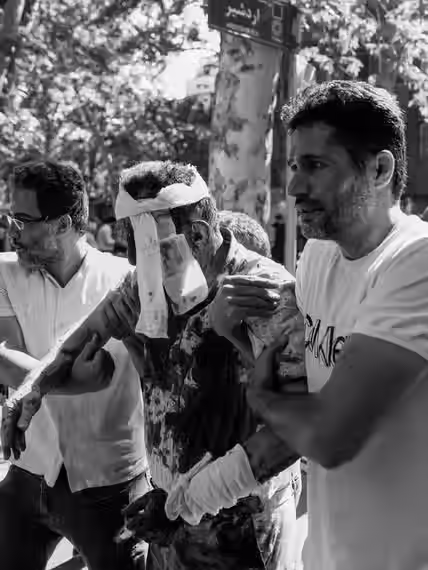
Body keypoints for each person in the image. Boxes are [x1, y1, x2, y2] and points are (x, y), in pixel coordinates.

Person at [2, 161, 305, 570]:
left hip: (244, 528)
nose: (131, 258)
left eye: (146, 247)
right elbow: (80, 339)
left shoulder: (265, 293)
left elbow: (293, 431)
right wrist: (33, 388)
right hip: (166, 519)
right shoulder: (146, 283)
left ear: (197, 235)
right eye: (128, 241)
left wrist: (187, 502)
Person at [245, 80, 428, 570]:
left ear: (380, 169)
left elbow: (328, 436)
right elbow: (302, 394)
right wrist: (236, 333)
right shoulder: (318, 255)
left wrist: (259, 397)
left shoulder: (417, 260)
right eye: (294, 166)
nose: (294, 187)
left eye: (316, 166)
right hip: (325, 554)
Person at [0, 160, 149, 570]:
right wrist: (79, 381)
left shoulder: (125, 282)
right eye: (10, 217)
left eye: (23, 220)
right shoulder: (4, 273)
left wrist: (46, 379)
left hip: (110, 485)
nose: (12, 229)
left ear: (62, 223)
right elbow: (6, 362)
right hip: (27, 471)